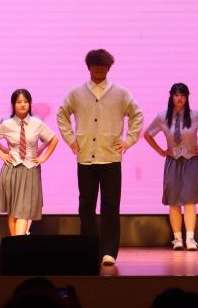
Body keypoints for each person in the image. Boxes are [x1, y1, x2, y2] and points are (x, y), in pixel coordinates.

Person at [56, 49, 144, 266]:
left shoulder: (120, 93)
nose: (99, 69)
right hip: (85, 157)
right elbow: (62, 115)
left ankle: (109, 251)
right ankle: (89, 249)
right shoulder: (76, 93)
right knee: (86, 206)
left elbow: (137, 115)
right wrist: (71, 139)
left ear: (109, 68)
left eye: (103, 65)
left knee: (110, 206)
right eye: (95, 65)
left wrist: (129, 140)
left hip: (110, 158)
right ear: (88, 67)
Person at [143, 83, 198, 251]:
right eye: (176, 95)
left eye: (183, 95)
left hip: (191, 160)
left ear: (187, 98)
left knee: (190, 199)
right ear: (171, 97)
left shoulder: (195, 116)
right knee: (174, 200)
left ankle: (190, 239)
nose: (179, 98)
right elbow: (147, 134)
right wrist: (161, 151)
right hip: (173, 160)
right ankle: (177, 239)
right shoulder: (163, 116)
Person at [0, 89, 59, 237]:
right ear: (13, 104)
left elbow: (53, 139)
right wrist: (2, 154)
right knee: (13, 211)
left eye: (26, 101)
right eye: (19, 102)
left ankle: (18, 245)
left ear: (30, 104)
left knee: (24, 210)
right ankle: (15, 247)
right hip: (11, 170)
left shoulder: (37, 123)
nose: (23, 105)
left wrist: (44, 158)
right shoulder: (7, 124)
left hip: (30, 170)